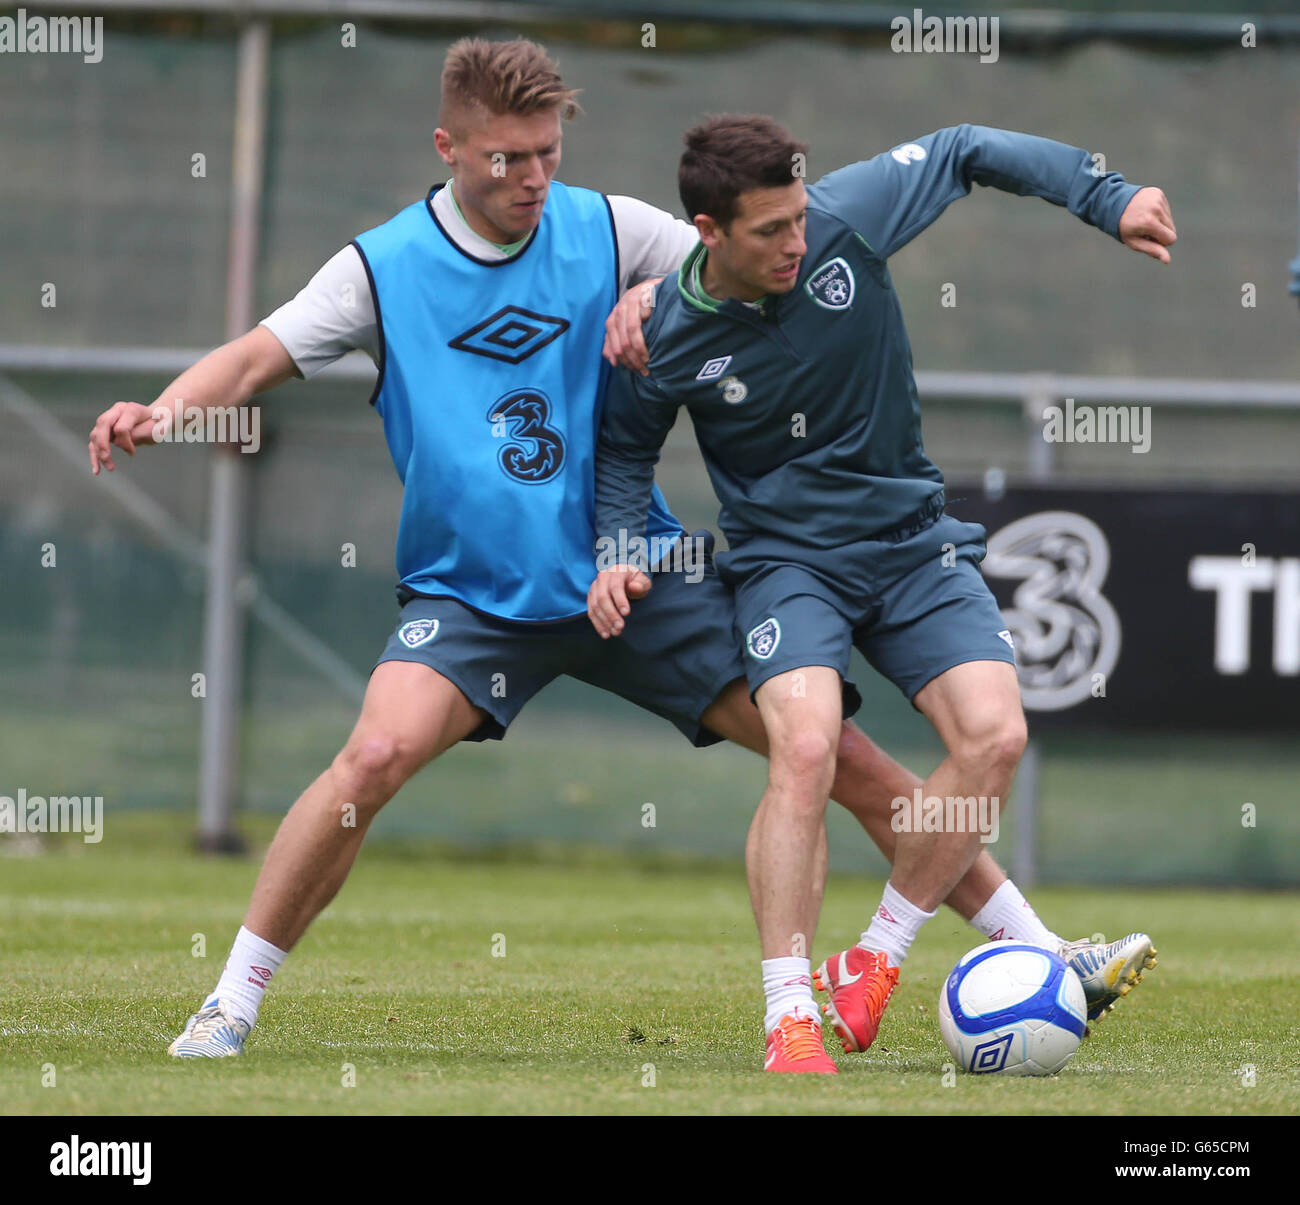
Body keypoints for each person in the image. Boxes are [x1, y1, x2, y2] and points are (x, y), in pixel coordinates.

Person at [591, 116, 1168, 1070]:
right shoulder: (665, 332)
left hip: (913, 547)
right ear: (708, 229)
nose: (796, 242)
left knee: (996, 735)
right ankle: (788, 1016)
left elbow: (964, 146)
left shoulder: (843, 220)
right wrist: (618, 547)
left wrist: (1106, 197)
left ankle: (875, 958)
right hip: (787, 566)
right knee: (807, 746)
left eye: (799, 218)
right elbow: (621, 451)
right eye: (770, 230)